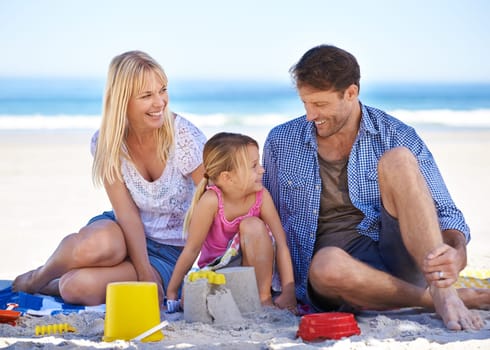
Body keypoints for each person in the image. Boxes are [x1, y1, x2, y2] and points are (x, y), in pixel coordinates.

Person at [262, 44, 490, 330]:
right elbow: (264, 218)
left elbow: (445, 212)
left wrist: (457, 251)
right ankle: (438, 300)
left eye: (320, 104)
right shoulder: (281, 142)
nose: (310, 115)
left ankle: (443, 292)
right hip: (335, 274)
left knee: (399, 160)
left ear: (351, 93)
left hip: (401, 258)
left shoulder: (396, 134)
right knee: (326, 265)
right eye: (305, 103)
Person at [12, 50, 206, 305]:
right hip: (123, 232)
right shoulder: (107, 141)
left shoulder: (185, 138)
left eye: (163, 90)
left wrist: (160, 271)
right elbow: (126, 214)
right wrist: (141, 267)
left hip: (171, 254)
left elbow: (212, 205)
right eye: (147, 95)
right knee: (96, 244)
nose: (160, 102)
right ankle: (38, 278)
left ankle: (57, 284)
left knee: (74, 288)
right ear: (122, 100)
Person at [166, 132, 297, 310]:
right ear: (227, 177)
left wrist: (288, 292)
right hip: (220, 274)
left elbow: (282, 244)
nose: (262, 170)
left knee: (252, 225)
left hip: (256, 276)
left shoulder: (261, 196)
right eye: (253, 166)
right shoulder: (211, 201)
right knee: (190, 299)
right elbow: (192, 249)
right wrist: (172, 292)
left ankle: (262, 299)